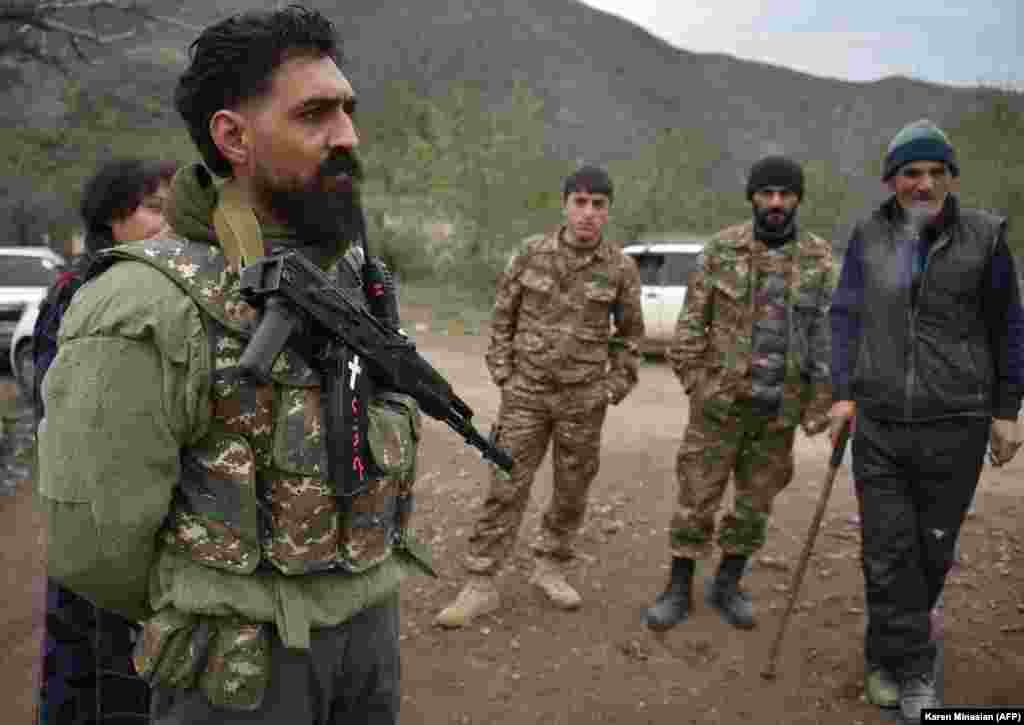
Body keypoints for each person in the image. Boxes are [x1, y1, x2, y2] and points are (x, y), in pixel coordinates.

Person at [37, 7, 432, 724]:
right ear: (233, 137)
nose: (346, 135)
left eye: (346, 109)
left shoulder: (352, 271)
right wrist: (219, 603)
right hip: (236, 668)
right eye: (314, 113)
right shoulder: (142, 300)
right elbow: (93, 544)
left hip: (368, 637)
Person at [829, 119, 1023, 723]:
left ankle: (885, 652)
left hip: (956, 423)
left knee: (932, 552)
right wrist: (842, 393)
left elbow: (1009, 327)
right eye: (912, 173)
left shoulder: (985, 237)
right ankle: (912, 672)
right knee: (887, 550)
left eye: (936, 172)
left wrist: (1005, 410)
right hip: (882, 423)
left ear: (950, 178)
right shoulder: (867, 235)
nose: (924, 184)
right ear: (892, 180)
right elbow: (845, 317)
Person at [435, 165, 644, 628]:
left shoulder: (620, 268)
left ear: (608, 211)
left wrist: (611, 389)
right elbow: (502, 320)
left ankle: (551, 566)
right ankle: (480, 582)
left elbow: (631, 340)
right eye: (581, 202)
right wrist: (504, 375)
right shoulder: (530, 254)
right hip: (525, 396)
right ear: (566, 204)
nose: (588, 213)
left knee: (572, 490)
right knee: (505, 485)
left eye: (599, 204)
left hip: (582, 401)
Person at [643, 156, 835, 633]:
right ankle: (677, 588)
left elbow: (826, 337)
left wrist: (819, 404)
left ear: (797, 199)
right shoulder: (721, 251)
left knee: (754, 506)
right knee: (695, 500)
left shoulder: (819, 260)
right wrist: (699, 389)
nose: (775, 203)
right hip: (718, 411)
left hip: (777, 414)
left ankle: (727, 583)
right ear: (752, 196)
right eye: (766, 193)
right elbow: (690, 330)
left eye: (785, 194)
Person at [35, 157, 177, 725]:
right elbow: (64, 408)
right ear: (111, 218)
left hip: (144, 519)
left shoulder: (151, 287)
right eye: (152, 209)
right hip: (98, 523)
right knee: (96, 674)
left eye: (172, 210)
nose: (167, 223)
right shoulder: (83, 291)